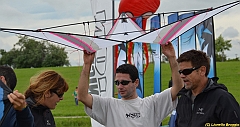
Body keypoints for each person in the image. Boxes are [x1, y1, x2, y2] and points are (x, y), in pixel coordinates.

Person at [78, 42, 184, 127]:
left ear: (136, 82)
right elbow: (82, 96)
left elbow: (178, 88)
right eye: (117, 83)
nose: (120, 86)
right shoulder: (109, 106)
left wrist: (171, 58)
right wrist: (87, 64)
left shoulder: (152, 104)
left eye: (124, 82)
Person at [175, 49, 240, 127]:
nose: (182, 76)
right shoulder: (183, 98)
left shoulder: (222, 98)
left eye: (186, 71)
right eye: (180, 72)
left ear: (202, 70)